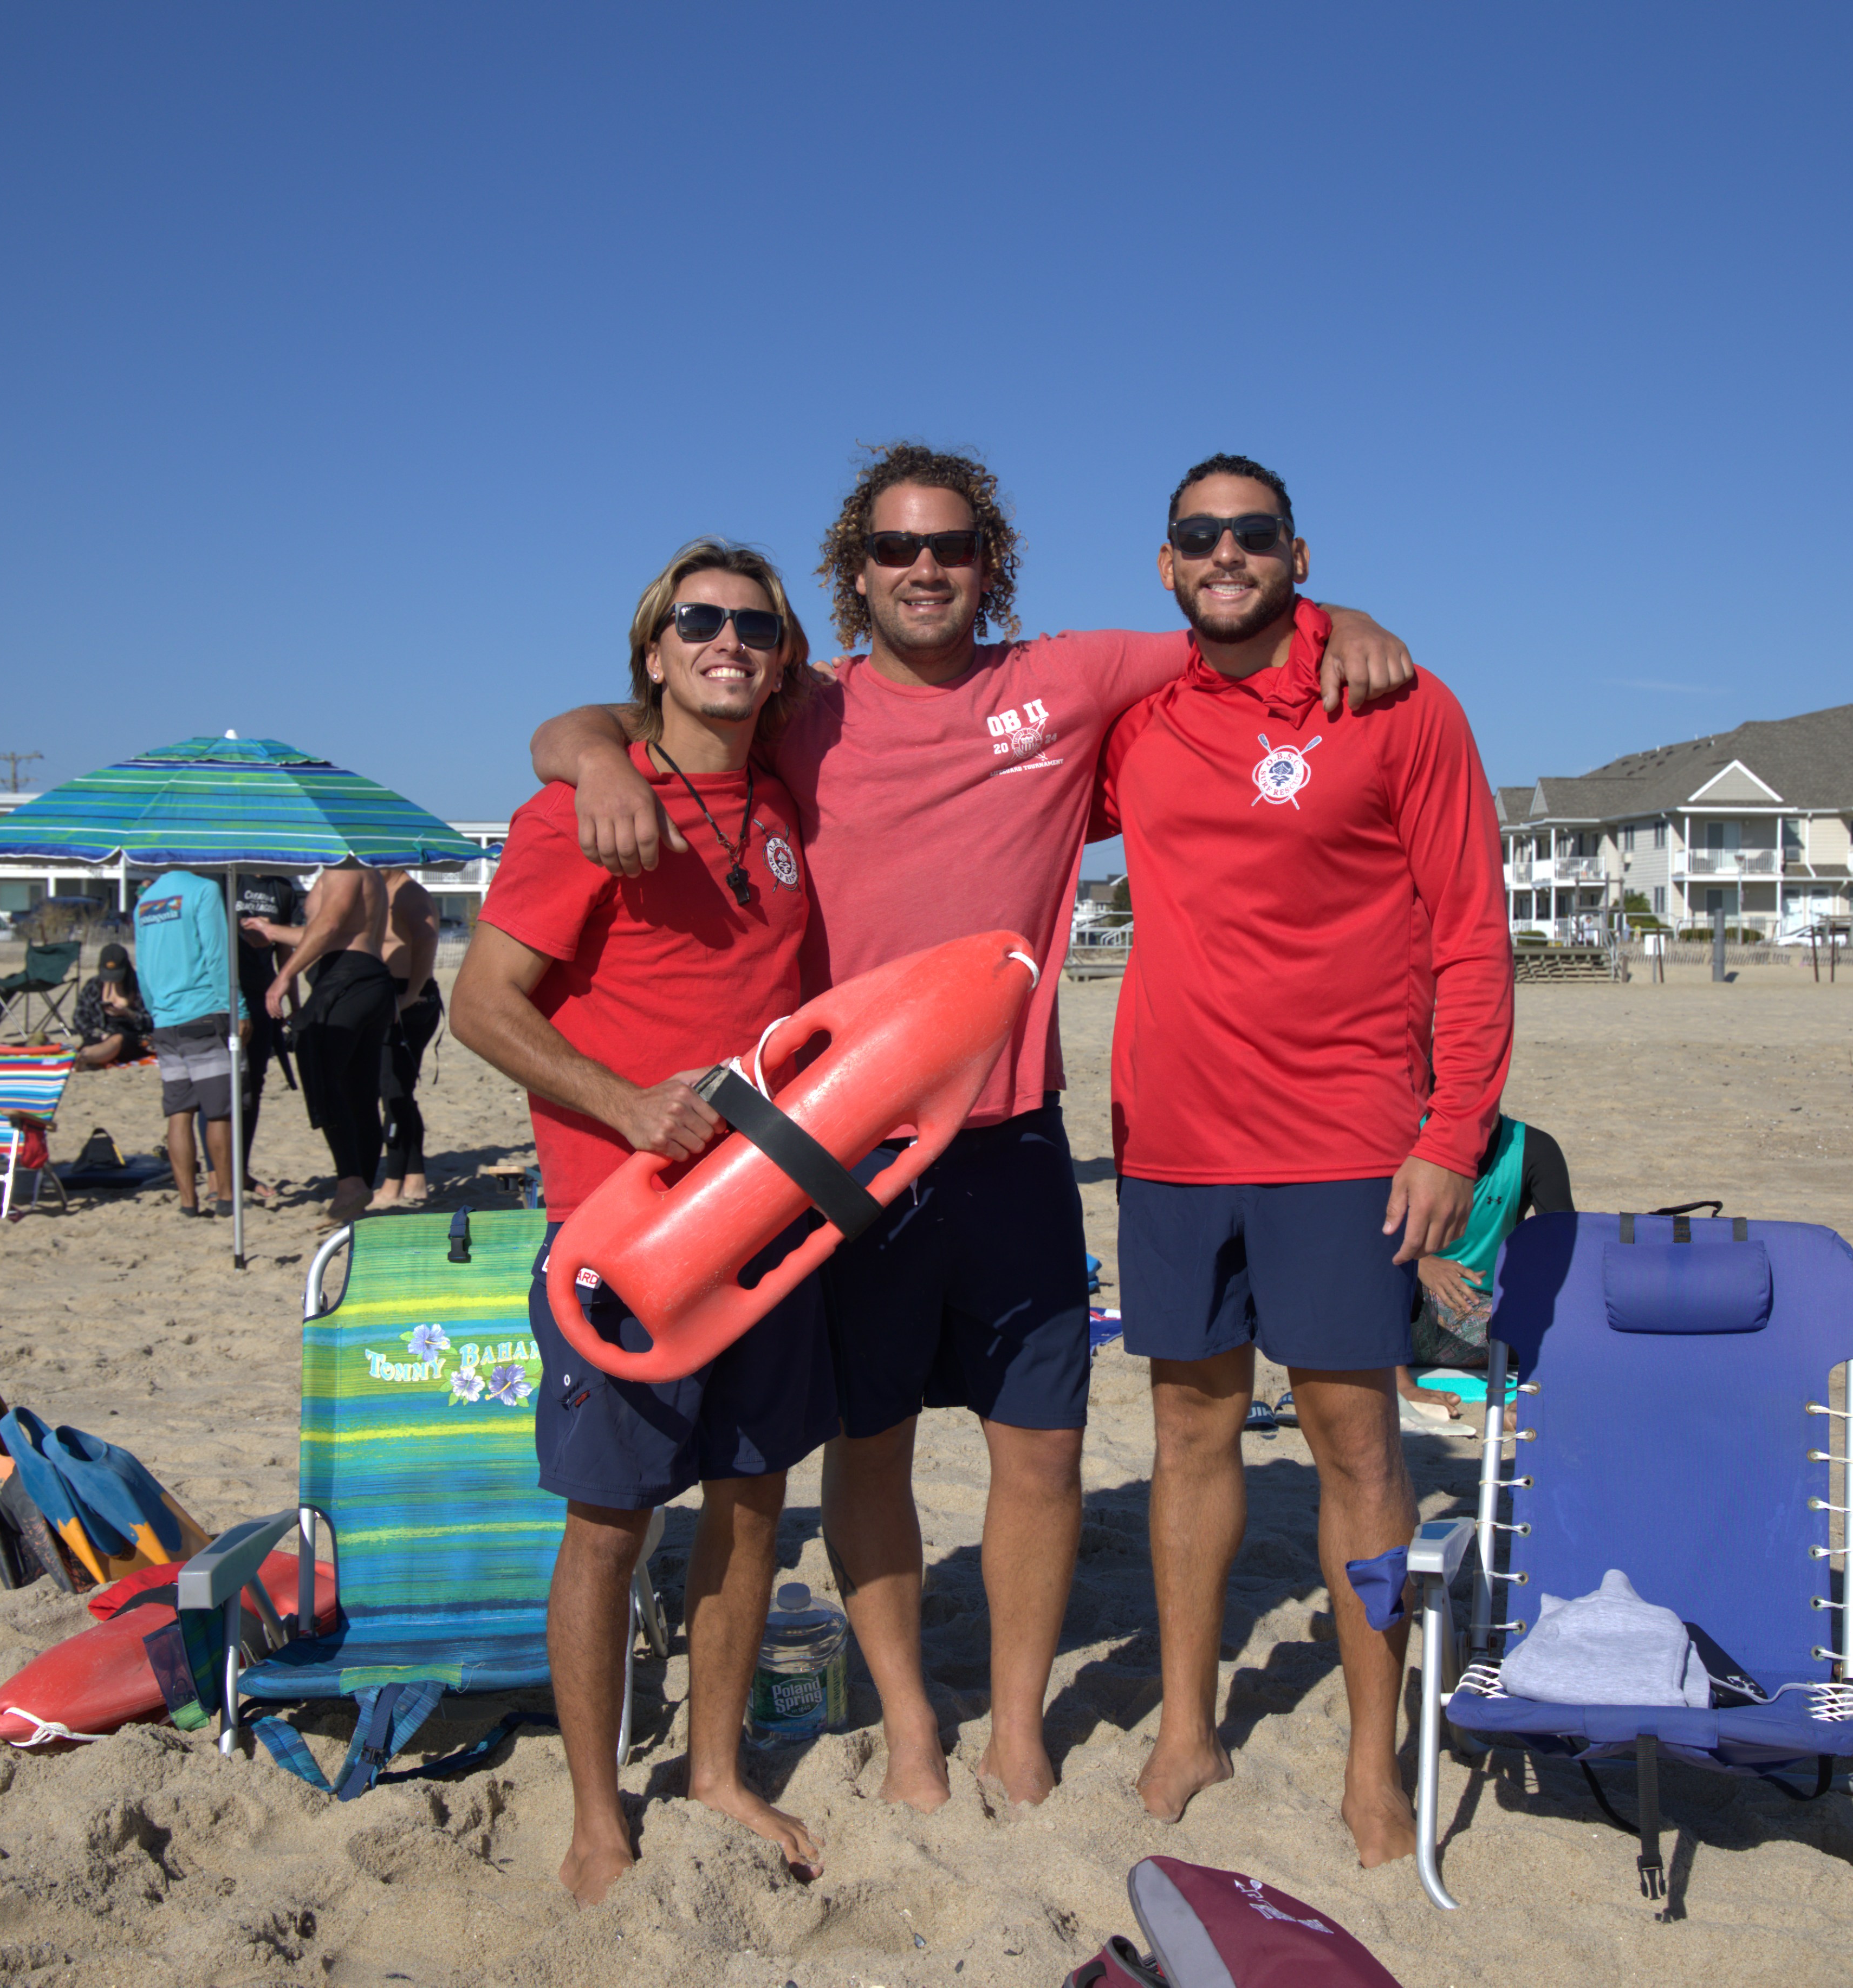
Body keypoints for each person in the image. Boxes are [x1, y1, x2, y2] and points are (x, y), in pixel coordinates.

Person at [528, 442, 1420, 1812]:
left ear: (989, 567)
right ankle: (913, 1726)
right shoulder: (797, 702)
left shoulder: (1066, 680)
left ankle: (1013, 1726)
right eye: (895, 550)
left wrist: (1341, 619)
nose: (924, 569)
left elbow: (1234, 632)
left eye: (950, 549)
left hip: (1009, 1141)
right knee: (866, 1448)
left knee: (1041, 1452)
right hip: (840, 1159)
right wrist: (587, 750)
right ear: (855, 575)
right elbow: (608, 718)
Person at [1098, 454, 1512, 1866]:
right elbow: (974, 743)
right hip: (1171, 1138)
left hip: (1346, 1142)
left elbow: (1470, 931)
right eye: (1200, 535)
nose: (1228, 552)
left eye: (1253, 532)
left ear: (1298, 550)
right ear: (1167, 565)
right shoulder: (1138, 718)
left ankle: (1371, 1756)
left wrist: (1453, 1132)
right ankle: (1186, 1720)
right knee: (1190, 1429)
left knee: (1354, 1436)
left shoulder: (1399, 698)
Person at [448, 538, 832, 1902]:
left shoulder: (783, 805)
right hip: (624, 1231)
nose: (727, 641)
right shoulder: (579, 811)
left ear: (782, 659)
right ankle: (597, 1808)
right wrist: (623, 1106)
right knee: (612, 1521)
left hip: (770, 1227)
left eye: (754, 625)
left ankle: (717, 1768)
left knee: (748, 1505)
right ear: (654, 654)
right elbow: (481, 1005)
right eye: (698, 622)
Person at [249, 861, 393, 1224]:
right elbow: (329, 930)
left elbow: (328, 926)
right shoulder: (367, 871)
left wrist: (284, 976)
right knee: (358, 1091)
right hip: (371, 980)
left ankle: (350, 1182)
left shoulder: (344, 867)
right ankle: (358, 1184)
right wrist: (271, 931)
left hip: (347, 979)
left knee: (321, 1073)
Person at [1407, 1114, 1574, 1376]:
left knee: (1562, 1334)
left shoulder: (1533, 1149)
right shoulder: (1402, 1137)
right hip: (1406, 1297)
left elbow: (1563, 1252)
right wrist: (1420, 1263)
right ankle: (1399, 1382)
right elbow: (1358, 1232)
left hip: (1484, 1308)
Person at [129, 869, 238, 1220]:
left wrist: (156, 1010)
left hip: (165, 1018)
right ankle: (225, 1197)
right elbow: (217, 955)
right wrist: (236, 1007)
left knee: (179, 1112)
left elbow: (143, 970)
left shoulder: (145, 902)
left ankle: (187, 1202)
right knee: (220, 1110)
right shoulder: (204, 890)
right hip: (204, 1010)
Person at [230, 871, 301, 1206]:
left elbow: (286, 952)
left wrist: (295, 1004)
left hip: (262, 994)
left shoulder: (282, 888)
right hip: (224, 993)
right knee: (219, 1088)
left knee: (251, 1087)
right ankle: (222, 1174)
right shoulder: (228, 878)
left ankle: (239, 1170)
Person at [373, 869, 442, 1209]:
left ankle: (393, 1184)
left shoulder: (408, 893)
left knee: (394, 1092)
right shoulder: (383, 890)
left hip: (410, 999)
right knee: (398, 1091)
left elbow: (427, 938)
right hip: (397, 996)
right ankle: (415, 1178)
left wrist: (410, 995)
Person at [71, 944, 151, 1070]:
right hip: (99, 1032)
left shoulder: (139, 986)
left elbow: (151, 1021)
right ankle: (86, 1057)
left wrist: (128, 1014)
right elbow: (79, 1017)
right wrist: (99, 1034)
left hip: (131, 1034)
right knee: (90, 1046)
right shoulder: (93, 986)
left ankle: (88, 1059)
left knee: (117, 1039)